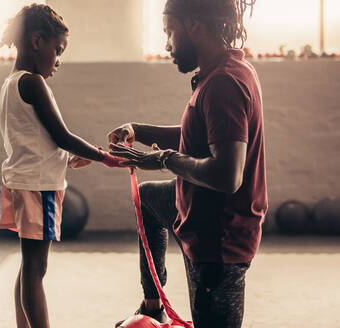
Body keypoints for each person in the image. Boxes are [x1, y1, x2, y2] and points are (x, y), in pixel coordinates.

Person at [108, 0, 267, 327]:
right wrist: (140, 131)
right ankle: (153, 303)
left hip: (218, 239)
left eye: (170, 32)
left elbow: (228, 175)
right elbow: (208, 136)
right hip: (199, 211)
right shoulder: (225, 72)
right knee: (149, 198)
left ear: (194, 25)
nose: (167, 45)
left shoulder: (223, 83)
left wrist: (164, 159)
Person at [0, 4, 123, 328]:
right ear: (37, 41)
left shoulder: (11, 83)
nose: (58, 61)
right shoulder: (33, 83)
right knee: (36, 270)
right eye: (58, 50)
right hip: (39, 188)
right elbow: (62, 136)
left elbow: (38, 139)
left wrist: (69, 157)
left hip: (23, 182)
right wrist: (104, 156)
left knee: (29, 268)